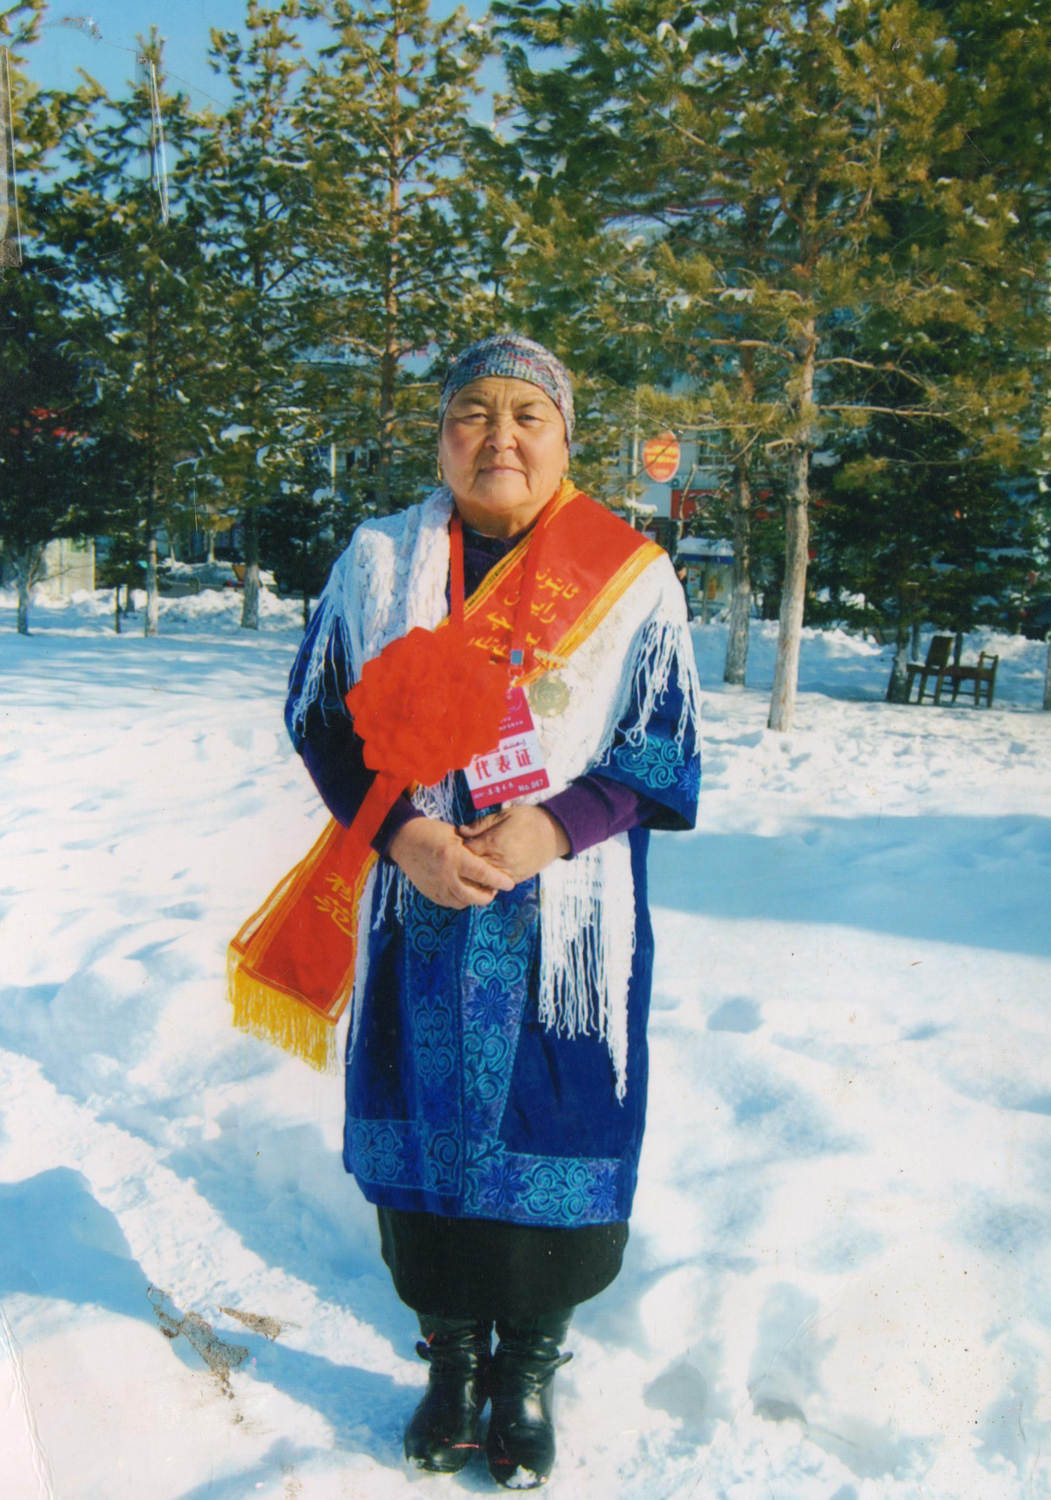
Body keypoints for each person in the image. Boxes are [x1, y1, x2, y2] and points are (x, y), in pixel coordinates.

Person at [247, 335, 700, 1489]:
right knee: (423, 1132)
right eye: (471, 412)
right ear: (440, 434)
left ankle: (529, 1369)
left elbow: (659, 749)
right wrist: (403, 834)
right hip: (418, 909)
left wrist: (554, 828)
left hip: (567, 926)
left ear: (565, 438)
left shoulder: (631, 576)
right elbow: (321, 720)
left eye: (526, 415)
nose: (499, 435)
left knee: (561, 1125)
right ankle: (450, 1363)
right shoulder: (376, 562)